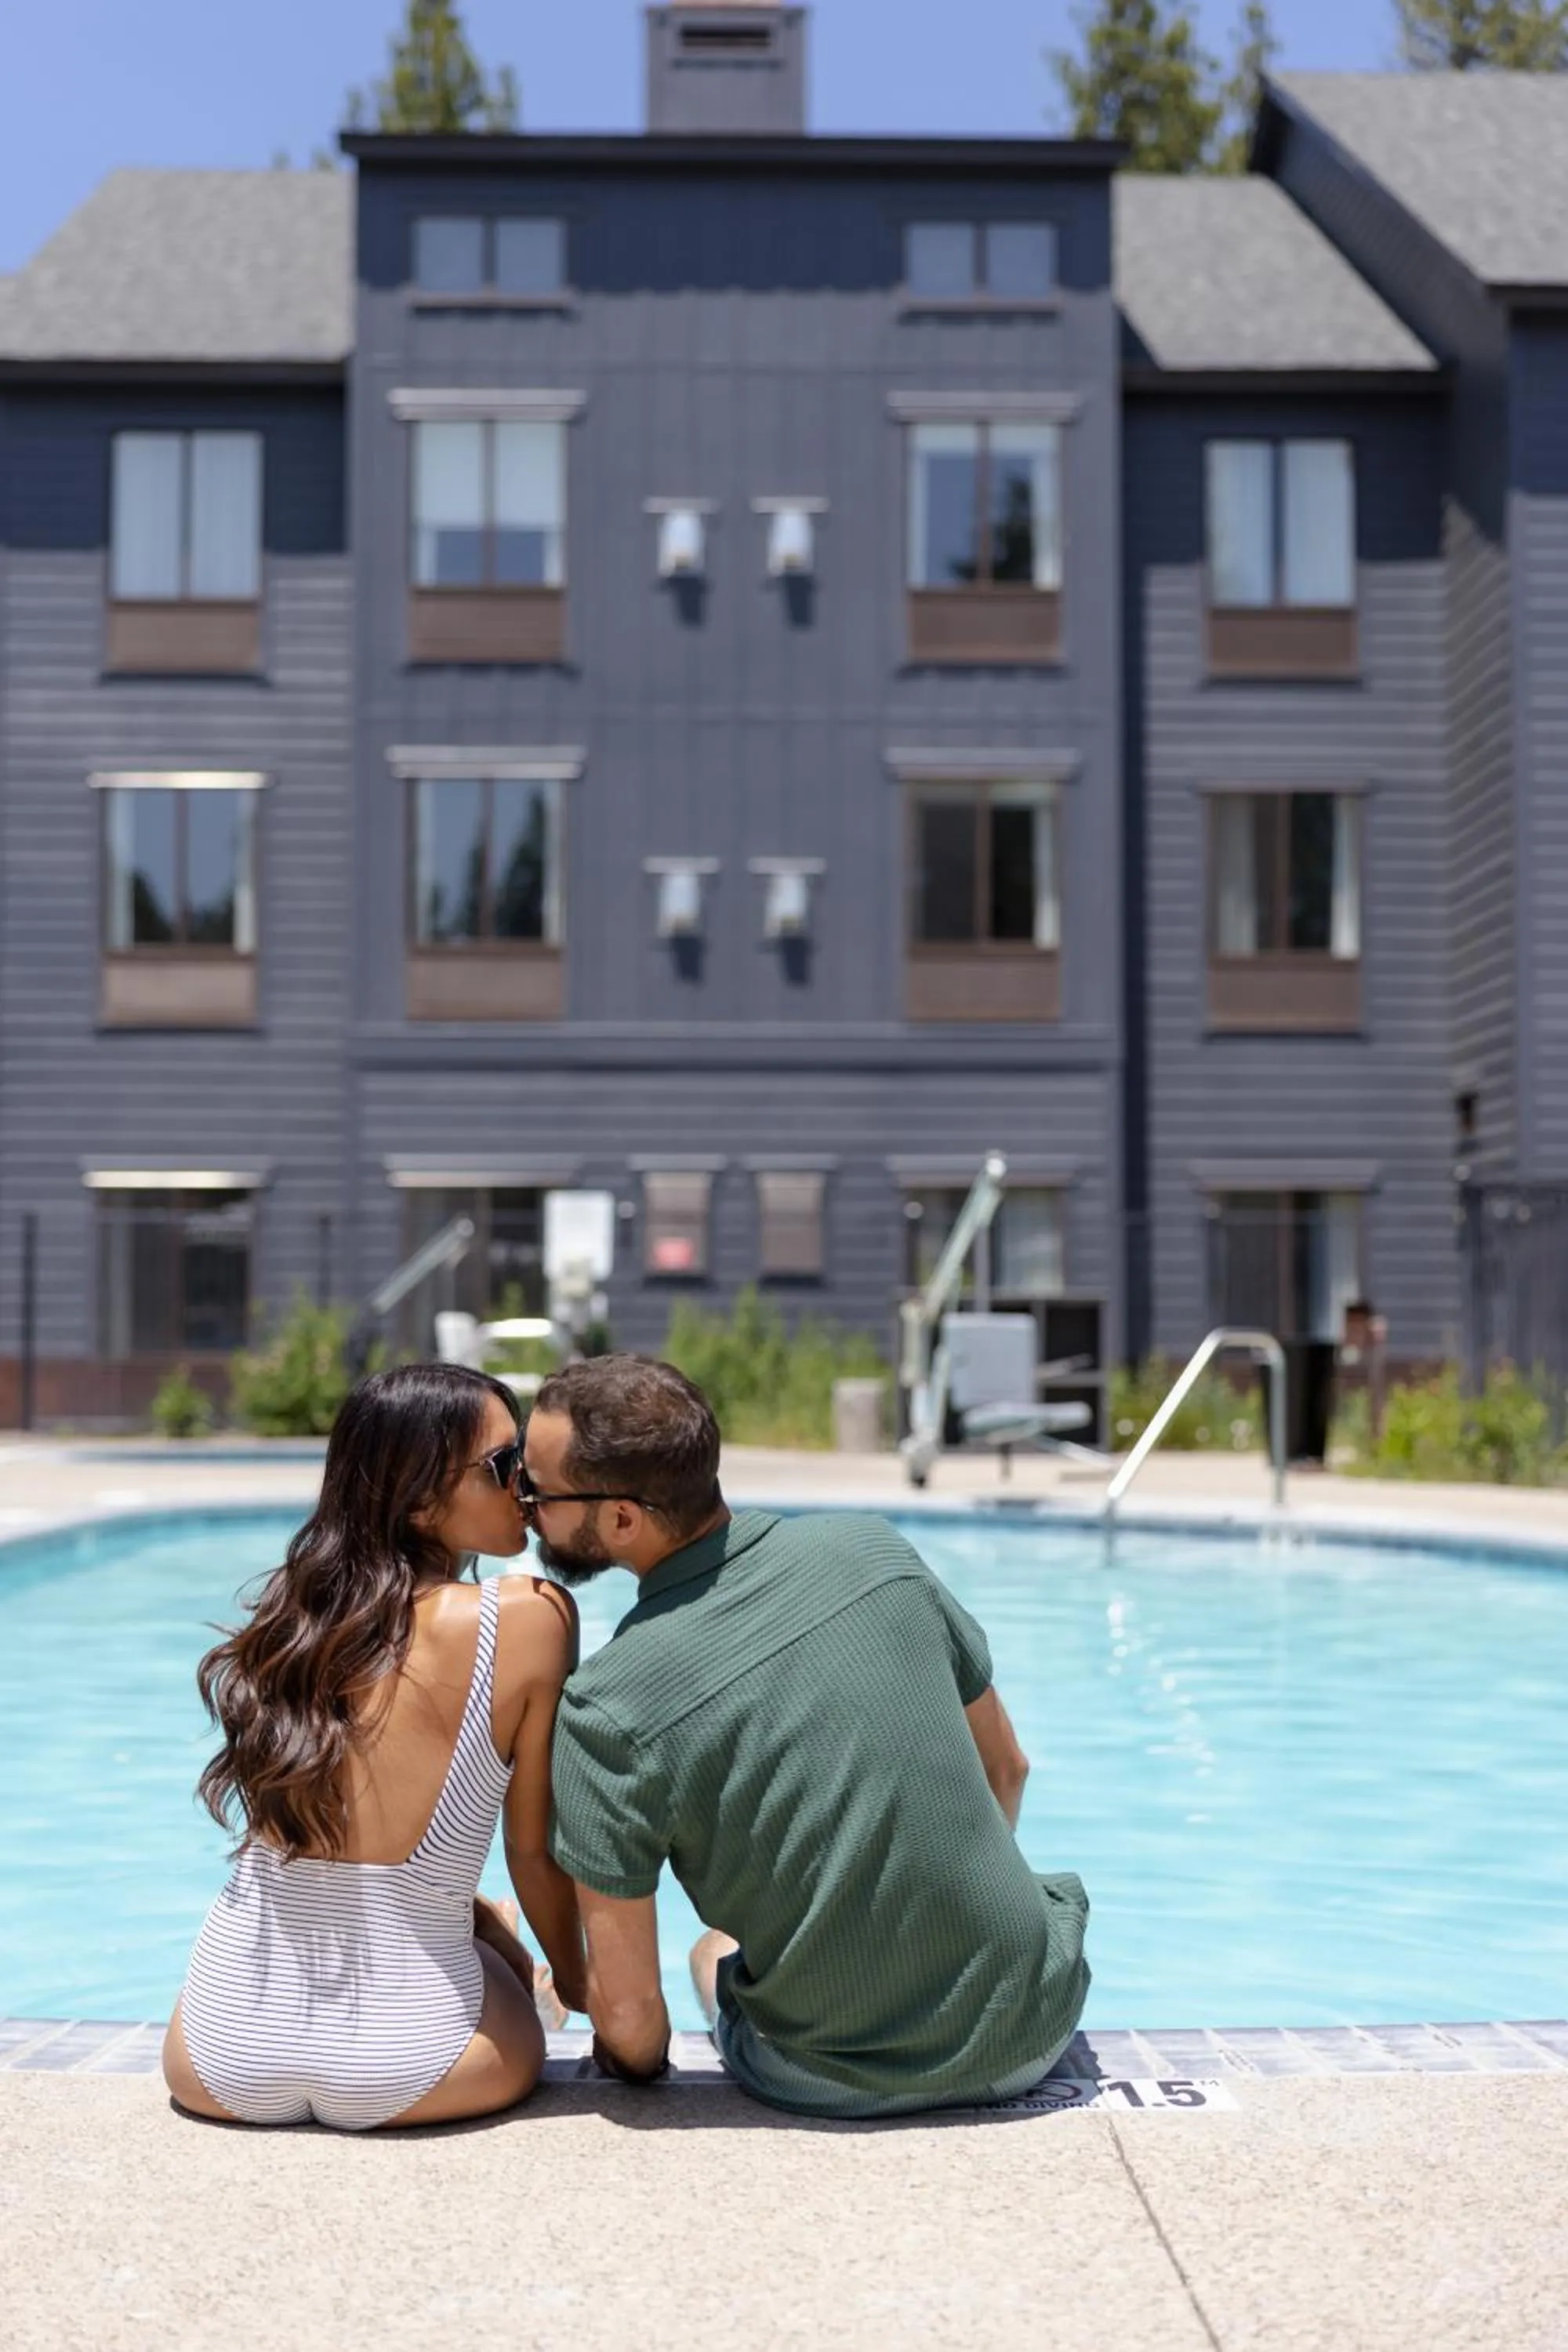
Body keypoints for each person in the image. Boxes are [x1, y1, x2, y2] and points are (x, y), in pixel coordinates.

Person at [524, 1354, 1090, 2119]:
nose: (524, 1508)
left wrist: (624, 2066)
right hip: (1032, 2024)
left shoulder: (607, 1709)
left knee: (712, 1949)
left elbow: (632, 2030)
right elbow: (1008, 1769)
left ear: (622, 1518)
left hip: (841, 2079)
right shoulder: (874, 1552)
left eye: (537, 1490)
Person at [163, 1363, 586, 2130]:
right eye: (503, 1465)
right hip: (421, 2063)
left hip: (217, 2054)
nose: (525, 1483)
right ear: (419, 1497)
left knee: (467, 1915)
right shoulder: (527, 1615)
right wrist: (591, 1995)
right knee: (496, 1948)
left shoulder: (290, 1622)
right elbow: (534, 1855)